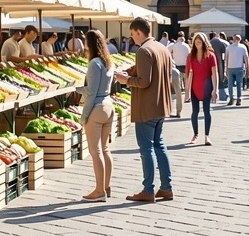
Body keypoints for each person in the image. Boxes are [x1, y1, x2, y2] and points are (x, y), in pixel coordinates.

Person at [116, 18, 175, 202]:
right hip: (161, 105)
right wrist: (131, 71)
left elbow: (144, 81)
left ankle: (148, 190)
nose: (132, 38)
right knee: (160, 146)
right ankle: (166, 187)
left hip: (146, 107)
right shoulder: (162, 48)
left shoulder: (143, 50)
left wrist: (126, 80)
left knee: (146, 148)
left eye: (133, 34)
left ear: (139, 32)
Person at [75, 29, 119, 201]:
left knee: (95, 151)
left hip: (97, 107)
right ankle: (106, 186)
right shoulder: (108, 62)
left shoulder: (94, 63)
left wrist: (83, 115)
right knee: (105, 149)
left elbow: (91, 92)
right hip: (108, 105)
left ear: (89, 43)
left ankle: (99, 190)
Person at [185, 35, 219, 146]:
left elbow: (214, 73)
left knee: (206, 111)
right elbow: (188, 74)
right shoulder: (190, 57)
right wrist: (186, 92)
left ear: (204, 42)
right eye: (196, 42)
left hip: (207, 86)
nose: (197, 44)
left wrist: (215, 89)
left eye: (199, 42)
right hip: (194, 87)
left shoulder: (211, 56)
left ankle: (207, 136)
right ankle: (195, 134)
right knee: (195, 112)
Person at [167, 32, 191, 118]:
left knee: (172, 90)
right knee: (181, 89)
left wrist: (171, 58)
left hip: (175, 66)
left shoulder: (173, 45)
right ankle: (179, 110)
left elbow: (166, 51)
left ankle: (168, 110)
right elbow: (190, 55)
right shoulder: (186, 46)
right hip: (185, 65)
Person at [224, 35, 249, 106]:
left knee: (230, 85)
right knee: (239, 84)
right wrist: (247, 69)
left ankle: (231, 99)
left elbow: (226, 59)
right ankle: (239, 98)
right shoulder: (243, 47)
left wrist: (225, 70)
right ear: (240, 40)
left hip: (230, 68)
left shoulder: (228, 48)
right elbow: (246, 59)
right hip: (239, 68)